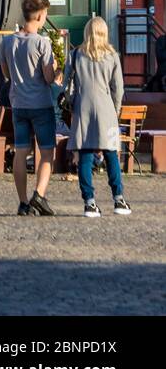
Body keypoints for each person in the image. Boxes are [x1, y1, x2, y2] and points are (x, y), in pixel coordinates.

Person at [0, 0, 60, 216]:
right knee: (46, 153)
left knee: (21, 151)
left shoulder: (8, 42)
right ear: (41, 15)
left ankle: (23, 202)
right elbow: (48, 76)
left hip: (19, 103)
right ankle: (39, 195)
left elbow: (5, 73)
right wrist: (57, 69)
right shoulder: (42, 42)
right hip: (40, 104)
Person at [65, 16, 131, 218]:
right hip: (106, 109)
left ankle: (89, 202)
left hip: (83, 107)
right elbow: (118, 89)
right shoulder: (112, 56)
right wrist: (116, 110)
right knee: (111, 155)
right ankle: (118, 199)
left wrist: (71, 101)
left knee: (84, 155)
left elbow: (67, 85)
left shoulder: (75, 54)